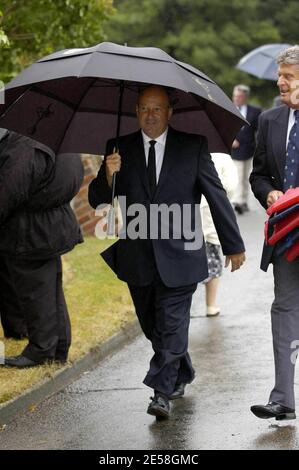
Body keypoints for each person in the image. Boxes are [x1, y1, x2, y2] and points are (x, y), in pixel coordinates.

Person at [88, 85, 246, 419]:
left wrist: (233, 245)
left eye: (157, 109)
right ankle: (181, 371)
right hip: (137, 257)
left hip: (181, 254)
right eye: (144, 108)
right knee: (154, 327)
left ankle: (161, 393)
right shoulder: (118, 149)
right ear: (136, 111)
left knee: (172, 324)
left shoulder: (192, 147)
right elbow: (98, 200)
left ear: (170, 112)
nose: (150, 115)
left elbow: (216, 196)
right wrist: (107, 173)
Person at [0, 129, 83, 368]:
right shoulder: (52, 134)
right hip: (49, 224)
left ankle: (41, 351)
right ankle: (57, 347)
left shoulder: (23, 146)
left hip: (31, 231)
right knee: (51, 289)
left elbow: (8, 191)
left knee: (36, 292)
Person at [250, 45, 299, 421]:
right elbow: (259, 173)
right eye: (280, 75)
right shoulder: (268, 120)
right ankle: (283, 398)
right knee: (284, 308)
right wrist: (269, 192)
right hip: (287, 233)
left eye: (289, 77)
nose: (280, 82)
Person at [200, 153, 238, 317]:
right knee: (213, 260)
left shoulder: (182, 150)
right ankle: (211, 304)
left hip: (186, 216)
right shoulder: (223, 157)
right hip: (212, 213)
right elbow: (231, 186)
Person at [231, 84, 261, 214]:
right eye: (235, 96)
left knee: (245, 177)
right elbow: (223, 126)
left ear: (245, 97)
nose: (237, 98)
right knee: (237, 175)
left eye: (240, 96)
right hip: (234, 149)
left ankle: (243, 201)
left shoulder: (254, 111)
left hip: (249, 149)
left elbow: (258, 130)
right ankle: (237, 201)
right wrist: (230, 139)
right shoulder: (228, 109)